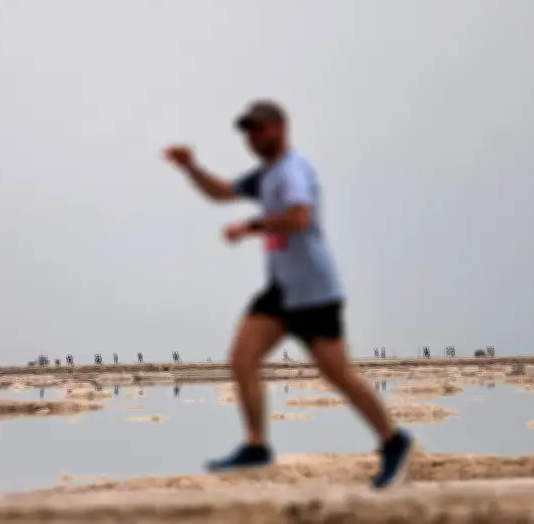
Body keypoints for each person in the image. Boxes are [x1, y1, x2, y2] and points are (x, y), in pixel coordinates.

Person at [164, 100, 413, 489]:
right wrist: (190, 168)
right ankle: (257, 445)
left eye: (259, 128)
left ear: (280, 128)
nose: (253, 136)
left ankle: (394, 440)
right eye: (247, 130)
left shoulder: (292, 171)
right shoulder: (265, 176)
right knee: (242, 358)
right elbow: (221, 192)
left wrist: (252, 225)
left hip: (314, 292)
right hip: (282, 291)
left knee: (339, 375)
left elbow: (300, 217)